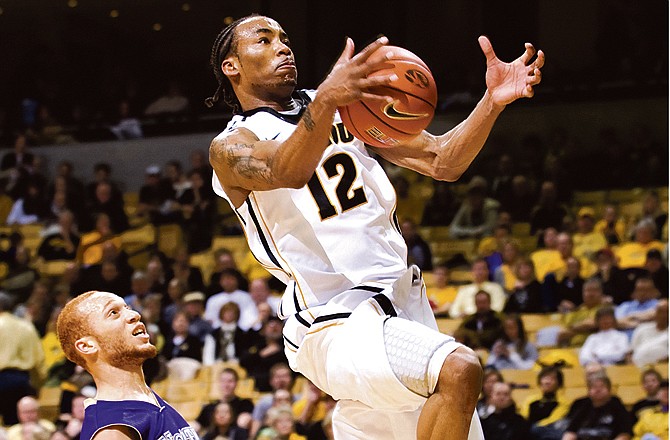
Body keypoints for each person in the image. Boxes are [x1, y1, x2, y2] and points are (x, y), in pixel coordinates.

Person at [206, 14, 544, 440]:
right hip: (331, 318)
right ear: (231, 66)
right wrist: (326, 101)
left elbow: (443, 160)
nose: (283, 46)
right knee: (458, 369)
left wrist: (492, 101)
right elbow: (286, 169)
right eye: (264, 39)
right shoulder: (233, 144)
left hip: (401, 304)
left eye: (286, 38)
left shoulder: (348, 108)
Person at [55, 290, 197, 440]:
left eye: (128, 308)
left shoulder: (144, 399)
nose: (135, 315)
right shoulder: (112, 429)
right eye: (114, 312)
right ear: (87, 346)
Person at [0, 292, 45, 426]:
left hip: (13, 379)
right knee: (18, 426)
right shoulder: (25, 326)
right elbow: (39, 360)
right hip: (19, 381)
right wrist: (38, 385)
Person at [562, 374, 633, 440]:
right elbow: (570, 432)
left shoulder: (617, 406)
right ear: (589, 391)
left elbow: (625, 434)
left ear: (609, 390)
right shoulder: (583, 406)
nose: (598, 390)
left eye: (602, 386)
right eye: (594, 387)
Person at [195, 367, 254, 434]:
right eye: (223, 381)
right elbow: (197, 425)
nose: (226, 385)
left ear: (237, 383)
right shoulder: (209, 407)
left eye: (230, 381)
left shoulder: (245, 404)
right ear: (218, 383)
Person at [520, 366, 571, 440]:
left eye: (552, 379)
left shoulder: (563, 402)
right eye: (545, 378)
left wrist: (535, 427)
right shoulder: (530, 400)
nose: (547, 382)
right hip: (529, 431)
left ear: (558, 383)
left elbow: (552, 420)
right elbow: (523, 418)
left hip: (548, 430)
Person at [449, 175, 501, 240]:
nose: (475, 196)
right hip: (469, 241)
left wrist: (479, 231)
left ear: (483, 194)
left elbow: (492, 227)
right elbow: (453, 229)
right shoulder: (466, 207)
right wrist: (471, 232)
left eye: (478, 193)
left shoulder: (491, 206)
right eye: (473, 193)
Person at [629, 299, 669, 368]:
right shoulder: (642, 328)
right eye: (660, 312)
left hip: (662, 368)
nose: (663, 315)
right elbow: (630, 352)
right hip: (636, 367)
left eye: (667, 312)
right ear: (655, 313)